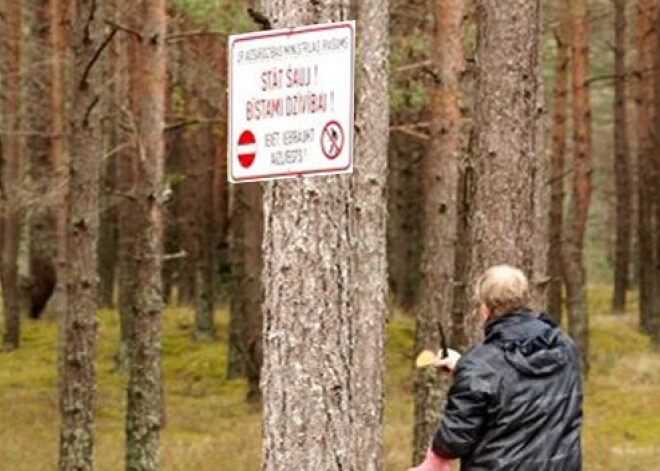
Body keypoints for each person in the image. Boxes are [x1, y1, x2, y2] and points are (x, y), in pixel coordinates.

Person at [408, 265, 583, 471]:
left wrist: (469, 371)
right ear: (524, 298)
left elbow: (454, 439)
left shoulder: (481, 366)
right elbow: (517, 383)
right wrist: (463, 367)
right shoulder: (563, 347)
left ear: (485, 309)